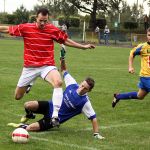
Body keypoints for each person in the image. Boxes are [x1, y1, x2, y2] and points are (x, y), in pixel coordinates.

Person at [0, 8, 95, 126]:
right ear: (36, 18)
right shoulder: (26, 28)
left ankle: (55, 116)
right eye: (41, 21)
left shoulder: (52, 29)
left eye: (45, 21)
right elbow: (8, 29)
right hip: (30, 68)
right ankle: (30, 90)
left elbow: (65, 40)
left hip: (46, 66)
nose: (43, 23)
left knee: (58, 82)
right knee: (18, 96)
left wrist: (83, 46)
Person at [8, 50, 105, 140]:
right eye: (82, 85)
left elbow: (93, 118)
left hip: (53, 120)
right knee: (27, 105)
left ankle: (22, 126)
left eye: (85, 88)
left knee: (29, 128)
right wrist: (62, 59)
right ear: (81, 82)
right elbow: (63, 70)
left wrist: (96, 134)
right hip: (50, 106)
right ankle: (30, 115)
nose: (82, 88)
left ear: (89, 91)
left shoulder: (85, 102)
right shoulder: (72, 84)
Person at [112, 27, 150, 108]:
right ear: (147, 35)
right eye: (149, 35)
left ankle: (118, 97)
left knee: (140, 96)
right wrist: (130, 67)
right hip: (146, 76)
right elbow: (132, 54)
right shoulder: (143, 47)